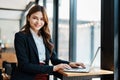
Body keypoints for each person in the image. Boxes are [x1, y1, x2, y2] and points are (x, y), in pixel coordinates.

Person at [10, 5, 85, 80]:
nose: (38, 22)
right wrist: (53, 68)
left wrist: (70, 63)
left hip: (43, 76)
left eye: (42, 19)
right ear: (28, 18)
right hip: (26, 77)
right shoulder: (20, 36)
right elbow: (24, 65)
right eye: (35, 18)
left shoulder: (47, 37)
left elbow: (54, 59)